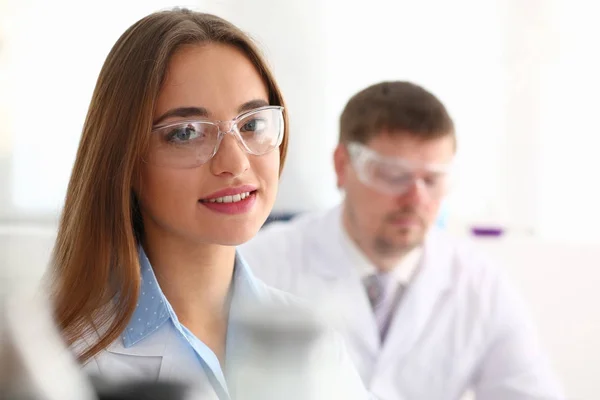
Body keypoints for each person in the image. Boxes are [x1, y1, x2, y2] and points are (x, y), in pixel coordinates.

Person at [47, 8, 369, 400]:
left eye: (251, 124)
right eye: (186, 132)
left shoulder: (315, 342)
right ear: (125, 160)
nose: (234, 163)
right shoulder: (63, 358)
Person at [240, 81, 565, 400]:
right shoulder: (260, 265)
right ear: (342, 166)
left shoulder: (480, 284)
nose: (416, 199)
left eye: (432, 180)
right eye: (394, 175)